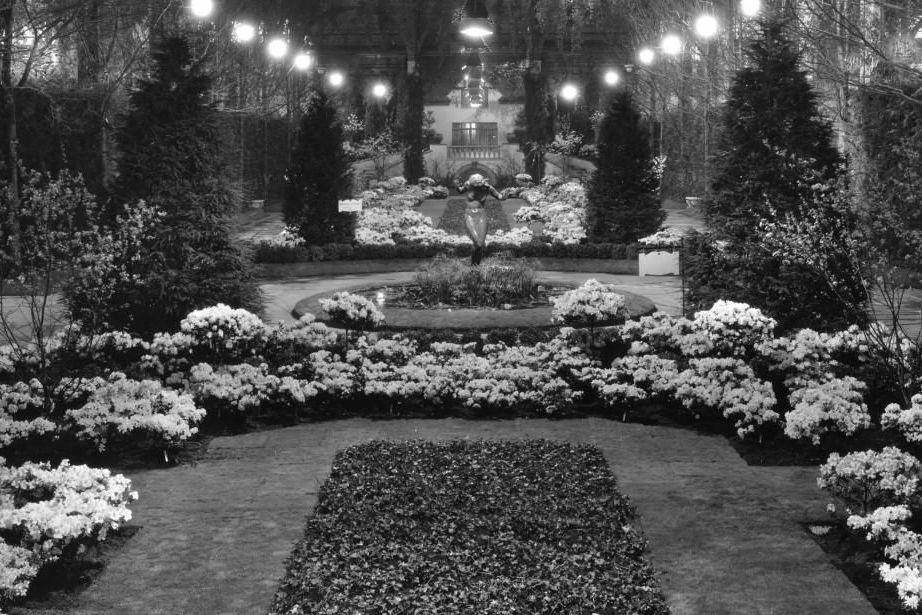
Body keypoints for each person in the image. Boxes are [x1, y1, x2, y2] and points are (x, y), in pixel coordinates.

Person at [456, 173, 503, 265]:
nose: (476, 186)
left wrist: (508, 193)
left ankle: (476, 266)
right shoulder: (468, 184)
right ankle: (474, 265)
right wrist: (457, 185)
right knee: (477, 241)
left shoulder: (488, 188)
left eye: (479, 184)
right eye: (474, 184)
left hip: (481, 215)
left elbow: (500, 197)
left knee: (480, 244)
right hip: (469, 214)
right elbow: (460, 191)